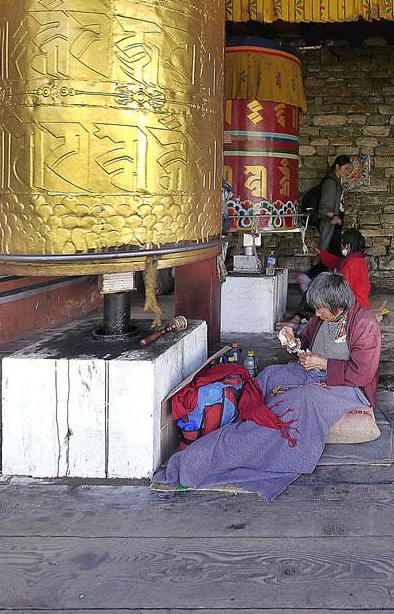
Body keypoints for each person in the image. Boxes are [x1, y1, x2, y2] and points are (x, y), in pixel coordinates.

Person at [152, 273, 381, 499]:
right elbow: (307, 340)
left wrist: (322, 362)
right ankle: (235, 420)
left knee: (301, 400)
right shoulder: (321, 317)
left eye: (321, 309)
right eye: (316, 309)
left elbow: (362, 373)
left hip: (349, 387)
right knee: (271, 376)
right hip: (314, 372)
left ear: (338, 306)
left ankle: (245, 443)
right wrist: (295, 341)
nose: (317, 313)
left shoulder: (364, 325)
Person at [298, 154, 352, 293]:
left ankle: (317, 281)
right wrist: (334, 216)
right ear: (337, 166)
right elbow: (324, 207)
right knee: (333, 256)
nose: (347, 172)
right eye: (345, 168)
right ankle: (308, 277)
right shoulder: (330, 182)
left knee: (333, 255)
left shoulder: (336, 181)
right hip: (331, 223)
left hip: (335, 223)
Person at [315, 228, 370, 309]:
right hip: (358, 304)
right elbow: (337, 262)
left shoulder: (352, 264)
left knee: (316, 296)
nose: (340, 245)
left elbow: (341, 290)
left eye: (342, 242)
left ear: (348, 245)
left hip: (354, 308)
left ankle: (298, 318)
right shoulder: (356, 259)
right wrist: (321, 253)